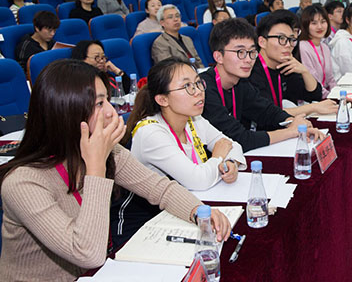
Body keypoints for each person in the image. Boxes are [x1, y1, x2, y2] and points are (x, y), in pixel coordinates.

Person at [0, 59, 230, 281]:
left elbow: (160, 189)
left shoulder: (107, 151)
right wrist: (96, 168)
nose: (112, 111)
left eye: (107, 100)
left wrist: (199, 211)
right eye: (100, 104)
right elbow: (87, 253)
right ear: (67, 112)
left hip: (99, 271)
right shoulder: (23, 183)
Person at [200, 18, 324, 151]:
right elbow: (239, 139)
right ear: (218, 57)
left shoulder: (240, 83)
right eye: (240, 52)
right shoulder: (203, 89)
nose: (248, 59)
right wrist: (291, 132)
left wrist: (293, 122)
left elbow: (266, 111)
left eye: (252, 52)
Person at [126, 58, 246, 189]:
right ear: (163, 100)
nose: (198, 91)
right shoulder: (150, 133)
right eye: (187, 86)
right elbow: (198, 180)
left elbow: (232, 145)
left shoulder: (194, 119)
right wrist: (218, 157)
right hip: (157, 203)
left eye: (198, 83)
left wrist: (231, 163)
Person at [250, 11, 338, 116]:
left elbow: (315, 95)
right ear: (262, 42)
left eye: (291, 39)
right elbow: (267, 114)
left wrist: (305, 71)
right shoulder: (250, 70)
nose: (288, 45)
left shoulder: (285, 66)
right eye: (281, 38)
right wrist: (313, 107)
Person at [298, 5, 337, 98]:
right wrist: (330, 96)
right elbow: (313, 79)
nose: (320, 27)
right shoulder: (303, 47)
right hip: (312, 98)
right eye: (314, 23)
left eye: (323, 22)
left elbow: (330, 79)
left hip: (327, 96)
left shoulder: (324, 47)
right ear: (305, 25)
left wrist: (337, 94)